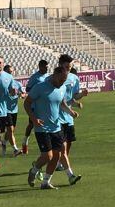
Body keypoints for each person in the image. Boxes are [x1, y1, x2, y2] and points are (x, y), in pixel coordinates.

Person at [24, 55, 79, 189]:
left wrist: (70, 112)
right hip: (42, 127)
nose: (62, 82)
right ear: (54, 75)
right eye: (60, 79)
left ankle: (45, 182)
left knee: (57, 155)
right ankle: (34, 170)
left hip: (56, 127)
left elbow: (62, 103)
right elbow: (27, 102)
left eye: (64, 80)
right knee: (47, 156)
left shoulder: (62, 88)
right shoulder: (40, 87)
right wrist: (33, 118)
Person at [55, 63, 87, 184]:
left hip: (69, 119)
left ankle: (59, 165)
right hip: (57, 120)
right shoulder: (53, 84)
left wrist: (81, 96)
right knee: (57, 151)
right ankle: (69, 174)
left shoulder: (72, 79)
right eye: (67, 67)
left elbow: (71, 99)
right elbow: (61, 102)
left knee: (67, 146)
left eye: (70, 67)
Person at [21, 59, 50, 155]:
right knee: (32, 124)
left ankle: (47, 147)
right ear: (40, 67)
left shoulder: (48, 76)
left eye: (47, 67)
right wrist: (37, 90)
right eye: (45, 67)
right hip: (34, 105)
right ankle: (25, 141)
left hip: (45, 104)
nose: (47, 68)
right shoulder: (34, 77)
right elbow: (28, 88)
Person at [2, 64, 25, 157]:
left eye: (11, 72)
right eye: (8, 72)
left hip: (14, 110)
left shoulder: (17, 83)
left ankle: (3, 142)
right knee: (10, 129)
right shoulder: (2, 84)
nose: (10, 74)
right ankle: (15, 149)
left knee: (11, 130)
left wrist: (21, 94)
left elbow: (23, 94)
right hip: (5, 109)